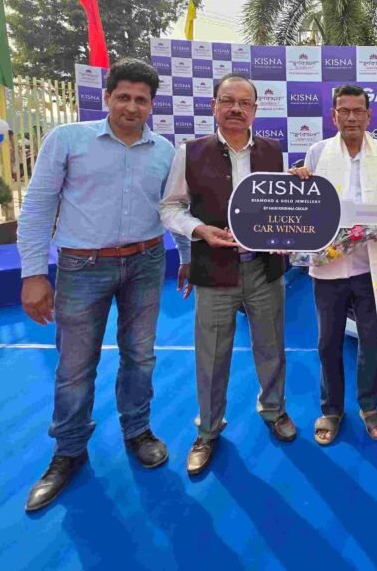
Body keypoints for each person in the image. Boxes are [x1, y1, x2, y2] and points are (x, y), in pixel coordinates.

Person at [18, 59, 189, 512]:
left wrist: (187, 258)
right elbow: (36, 208)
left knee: (141, 356)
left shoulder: (165, 151)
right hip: (81, 267)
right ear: (108, 97)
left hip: (147, 263)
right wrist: (34, 274)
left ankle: (138, 431)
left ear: (152, 104)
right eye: (124, 97)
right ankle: (68, 451)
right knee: (75, 366)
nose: (132, 106)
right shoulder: (68, 140)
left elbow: (174, 209)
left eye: (142, 99)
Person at [160, 72, 293, 476]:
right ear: (214, 105)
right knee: (211, 357)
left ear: (255, 110)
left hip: (263, 270)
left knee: (271, 348)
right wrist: (199, 230)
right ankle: (208, 430)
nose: (236, 109)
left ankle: (274, 410)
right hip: (213, 271)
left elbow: (282, 209)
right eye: (228, 101)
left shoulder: (273, 152)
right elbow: (170, 207)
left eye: (245, 103)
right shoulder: (190, 152)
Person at [290, 85, 377, 446]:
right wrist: (298, 184)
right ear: (333, 115)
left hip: (371, 264)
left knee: (372, 340)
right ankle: (331, 409)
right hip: (328, 267)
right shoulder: (319, 152)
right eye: (344, 111)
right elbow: (307, 205)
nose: (351, 117)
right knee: (328, 342)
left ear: (369, 116)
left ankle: (369, 406)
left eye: (358, 111)